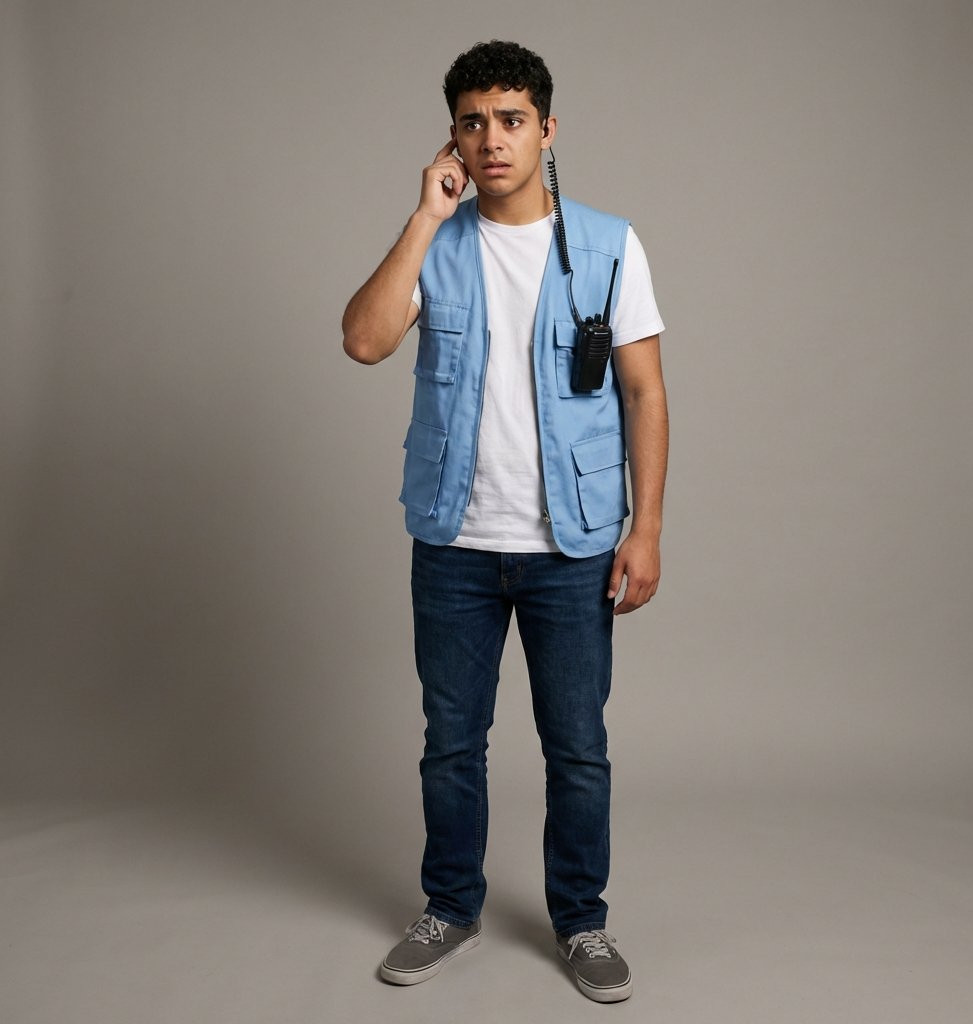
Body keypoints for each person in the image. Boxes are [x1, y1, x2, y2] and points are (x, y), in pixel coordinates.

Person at [341, 40, 667, 1003]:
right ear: (453, 137)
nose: (493, 139)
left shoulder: (609, 245)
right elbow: (363, 341)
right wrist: (422, 217)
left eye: (512, 120)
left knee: (578, 748)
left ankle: (582, 921)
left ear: (547, 130)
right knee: (451, 742)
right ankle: (451, 907)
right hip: (454, 544)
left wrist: (646, 530)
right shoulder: (436, 244)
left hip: (573, 547)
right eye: (473, 122)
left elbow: (645, 393)